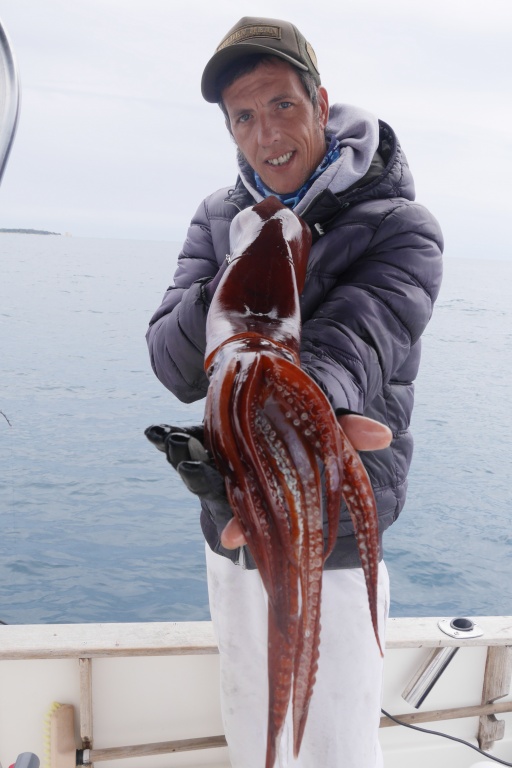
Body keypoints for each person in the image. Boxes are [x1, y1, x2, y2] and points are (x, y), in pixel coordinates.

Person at [146, 16, 443, 768]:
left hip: (333, 530)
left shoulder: (400, 225)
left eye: (282, 105)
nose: (265, 132)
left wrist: (320, 405)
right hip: (231, 517)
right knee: (256, 719)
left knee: (334, 736)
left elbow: (358, 341)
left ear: (320, 103)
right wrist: (241, 259)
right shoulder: (218, 218)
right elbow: (173, 364)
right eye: (243, 117)